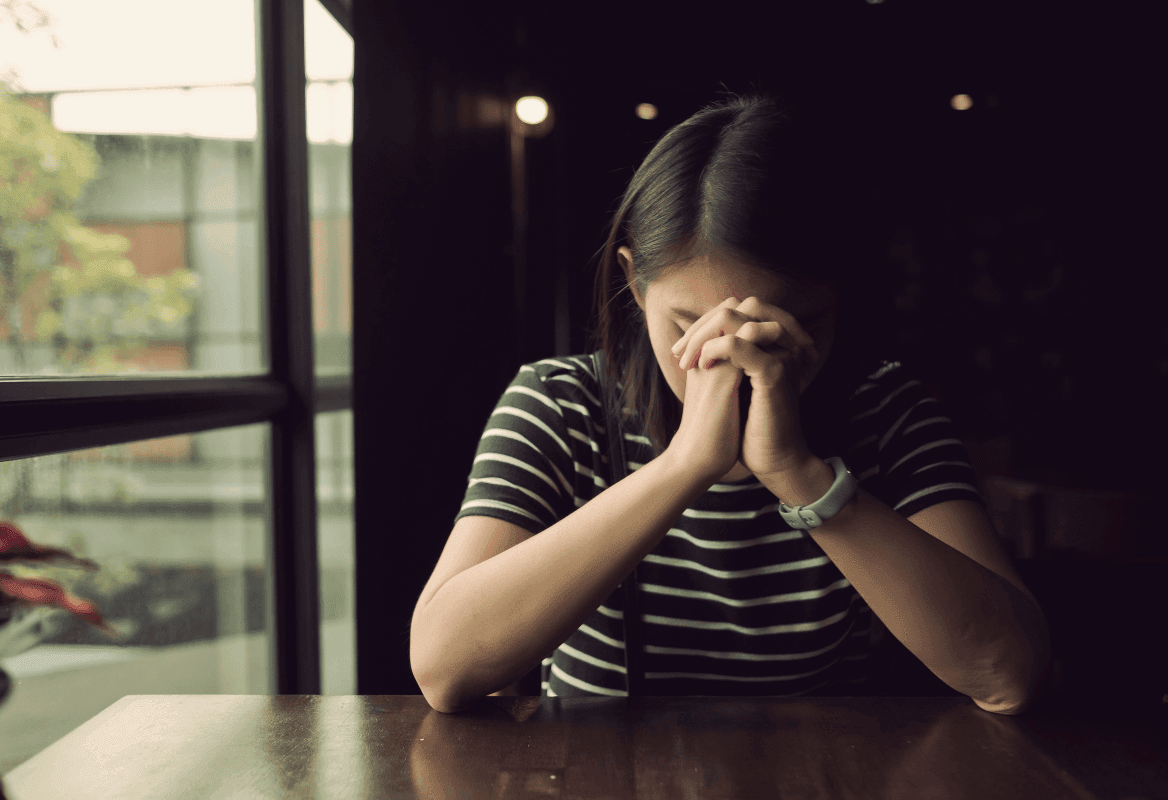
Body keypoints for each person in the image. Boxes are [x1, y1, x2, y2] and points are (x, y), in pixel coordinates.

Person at [410, 91, 1051, 714]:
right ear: (634, 284)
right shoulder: (560, 404)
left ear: (840, 302)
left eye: (791, 331)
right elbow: (444, 666)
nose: (736, 362)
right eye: (690, 326)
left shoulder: (887, 412)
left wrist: (802, 478)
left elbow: (1009, 673)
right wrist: (685, 465)